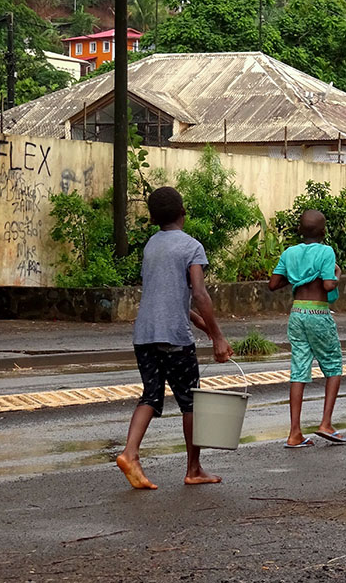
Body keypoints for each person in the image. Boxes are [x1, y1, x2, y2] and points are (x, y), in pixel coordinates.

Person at [116, 186, 233, 491]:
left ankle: (130, 453)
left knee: (151, 396)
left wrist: (207, 329)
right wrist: (218, 337)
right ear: (183, 213)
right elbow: (198, 294)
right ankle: (193, 469)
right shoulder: (191, 247)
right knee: (191, 402)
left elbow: (170, 300)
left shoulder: (151, 246)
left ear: (154, 218)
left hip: (144, 335)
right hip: (175, 339)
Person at [268, 210, 345, 449]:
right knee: (333, 365)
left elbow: (273, 284)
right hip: (318, 313)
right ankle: (326, 424)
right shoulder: (326, 252)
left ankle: (294, 433)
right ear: (323, 232)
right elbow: (328, 284)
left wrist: (296, 277)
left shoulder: (290, 253)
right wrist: (338, 274)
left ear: (300, 231)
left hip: (297, 313)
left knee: (299, 369)